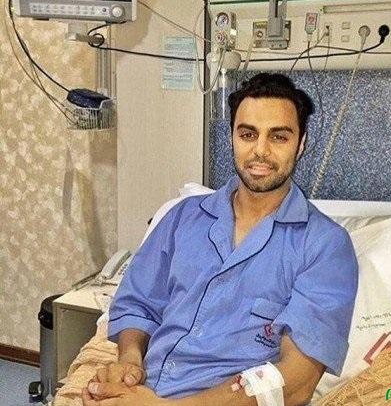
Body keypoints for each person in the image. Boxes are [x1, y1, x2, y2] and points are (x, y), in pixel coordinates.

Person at [82, 73, 359, 406]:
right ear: (232, 138)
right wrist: (129, 361)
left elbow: (295, 381)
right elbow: (138, 303)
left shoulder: (325, 246)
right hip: (146, 390)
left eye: (279, 137)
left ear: (301, 144)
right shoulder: (182, 217)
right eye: (247, 134)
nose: (260, 151)